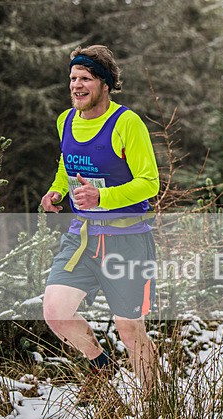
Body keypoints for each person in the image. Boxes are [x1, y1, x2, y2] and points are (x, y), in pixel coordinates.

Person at [41, 45, 160, 399]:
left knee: (130, 330)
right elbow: (67, 167)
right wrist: (56, 192)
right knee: (56, 312)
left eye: (86, 79)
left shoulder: (126, 123)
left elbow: (149, 182)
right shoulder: (66, 121)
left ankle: (156, 404)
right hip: (83, 237)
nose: (77, 86)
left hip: (126, 239)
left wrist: (102, 198)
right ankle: (101, 365)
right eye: (73, 78)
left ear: (105, 84)